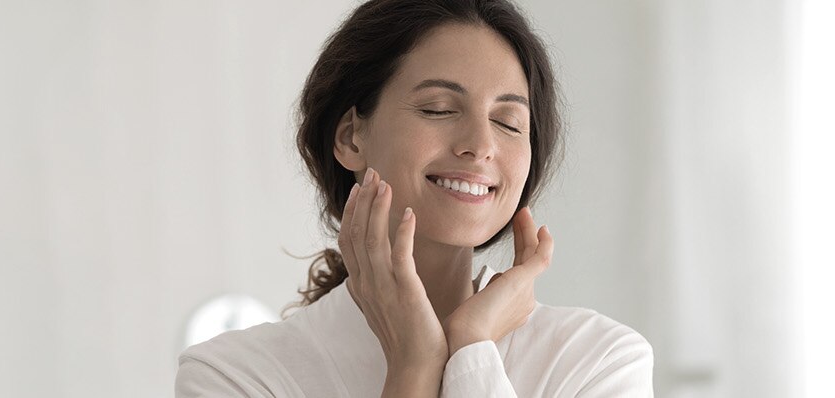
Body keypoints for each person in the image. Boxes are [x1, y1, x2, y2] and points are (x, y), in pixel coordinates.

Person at [177, 0, 653, 396]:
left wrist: (472, 346)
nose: (481, 145)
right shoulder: (232, 376)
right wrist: (414, 367)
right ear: (350, 137)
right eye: (439, 109)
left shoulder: (598, 361)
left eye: (508, 122)